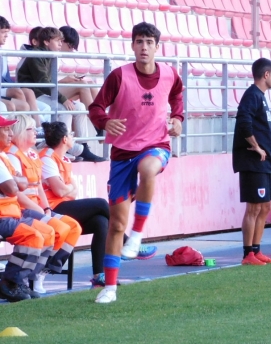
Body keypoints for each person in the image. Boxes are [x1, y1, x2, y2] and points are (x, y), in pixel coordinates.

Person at [88, 22, 184, 304]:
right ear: (132, 45)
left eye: (149, 42)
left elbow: (177, 95)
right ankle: (110, 287)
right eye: (139, 41)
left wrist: (177, 119)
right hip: (121, 154)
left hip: (156, 144)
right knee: (116, 224)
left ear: (157, 47)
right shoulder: (119, 76)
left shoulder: (169, 74)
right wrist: (106, 122)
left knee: (148, 168)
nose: (144, 47)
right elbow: (95, 108)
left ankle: (138, 234)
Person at [39, 121, 156, 290]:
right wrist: (67, 189)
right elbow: (60, 190)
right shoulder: (47, 158)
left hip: (64, 205)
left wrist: (67, 189)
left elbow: (72, 192)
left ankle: (98, 276)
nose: (73, 137)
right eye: (71, 135)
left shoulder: (64, 159)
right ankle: (130, 244)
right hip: (52, 209)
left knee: (101, 222)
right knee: (101, 204)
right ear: (65, 139)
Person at [6, 114, 82, 293]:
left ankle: (44, 270)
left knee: (74, 227)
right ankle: (30, 277)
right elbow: (16, 192)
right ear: (20, 132)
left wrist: (46, 207)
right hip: (24, 208)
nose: (36, 132)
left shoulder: (31, 154)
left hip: (38, 207)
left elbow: (38, 185)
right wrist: (40, 209)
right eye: (31, 129)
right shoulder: (12, 155)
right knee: (59, 229)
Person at [16, 27, 104, 162]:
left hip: (42, 94)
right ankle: (64, 146)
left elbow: (49, 83)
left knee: (79, 107)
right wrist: (63, 100)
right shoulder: (36, 56)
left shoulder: (50, 56)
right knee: (64, 107)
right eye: (58, 41)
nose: (59, 44)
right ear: (46, 42)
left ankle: (83, 147)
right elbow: (44, 84)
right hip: (34, 96)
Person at [0, 115, 59, 302]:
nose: (10, 133)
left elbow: (22, 184)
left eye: (10, 129)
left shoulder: (2, 155)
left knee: (49, 232)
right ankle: (10, 282)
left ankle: (21, 281)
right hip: (3, 215)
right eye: (6, 129)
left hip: (12, 212)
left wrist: (14, 180)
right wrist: (14, 180)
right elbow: (11, 188)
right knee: (33, 236)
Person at [232, 58, 271, 266]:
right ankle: (247, 254)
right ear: (266, 75)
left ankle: (257, 250)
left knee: (265, 207)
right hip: (253, 162)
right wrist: (256, 146)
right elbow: (243, 122)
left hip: (265, 163)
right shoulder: (251, 95)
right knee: (253, 208)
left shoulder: (260, 97)